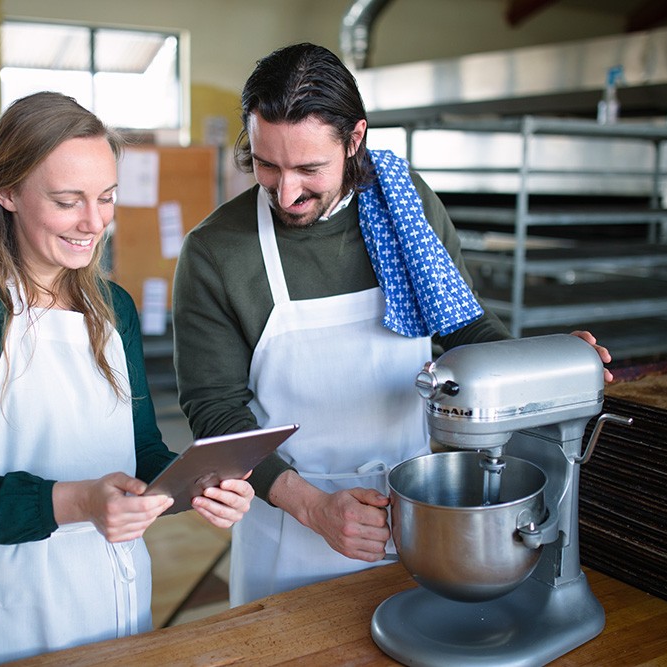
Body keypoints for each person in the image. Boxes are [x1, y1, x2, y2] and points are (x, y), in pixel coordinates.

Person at [171, 43, 613, 606]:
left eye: (310, 169)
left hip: (420, 515)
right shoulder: (217, 253)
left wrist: (545, 367)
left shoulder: (405, 209)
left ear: (355, 139)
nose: (286, 192)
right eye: (266, 165)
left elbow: (464, 331)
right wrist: (312, 507)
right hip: (289, 528)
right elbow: (214, 410)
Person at [0, 91, 254, 666]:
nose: (94, 222)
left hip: (116, 595)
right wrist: (81, 502)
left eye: (106, 198)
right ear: (7, 192)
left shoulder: (114, 309)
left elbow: (141, 450)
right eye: (67, 200)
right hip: (8, 611)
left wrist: (192, 486)